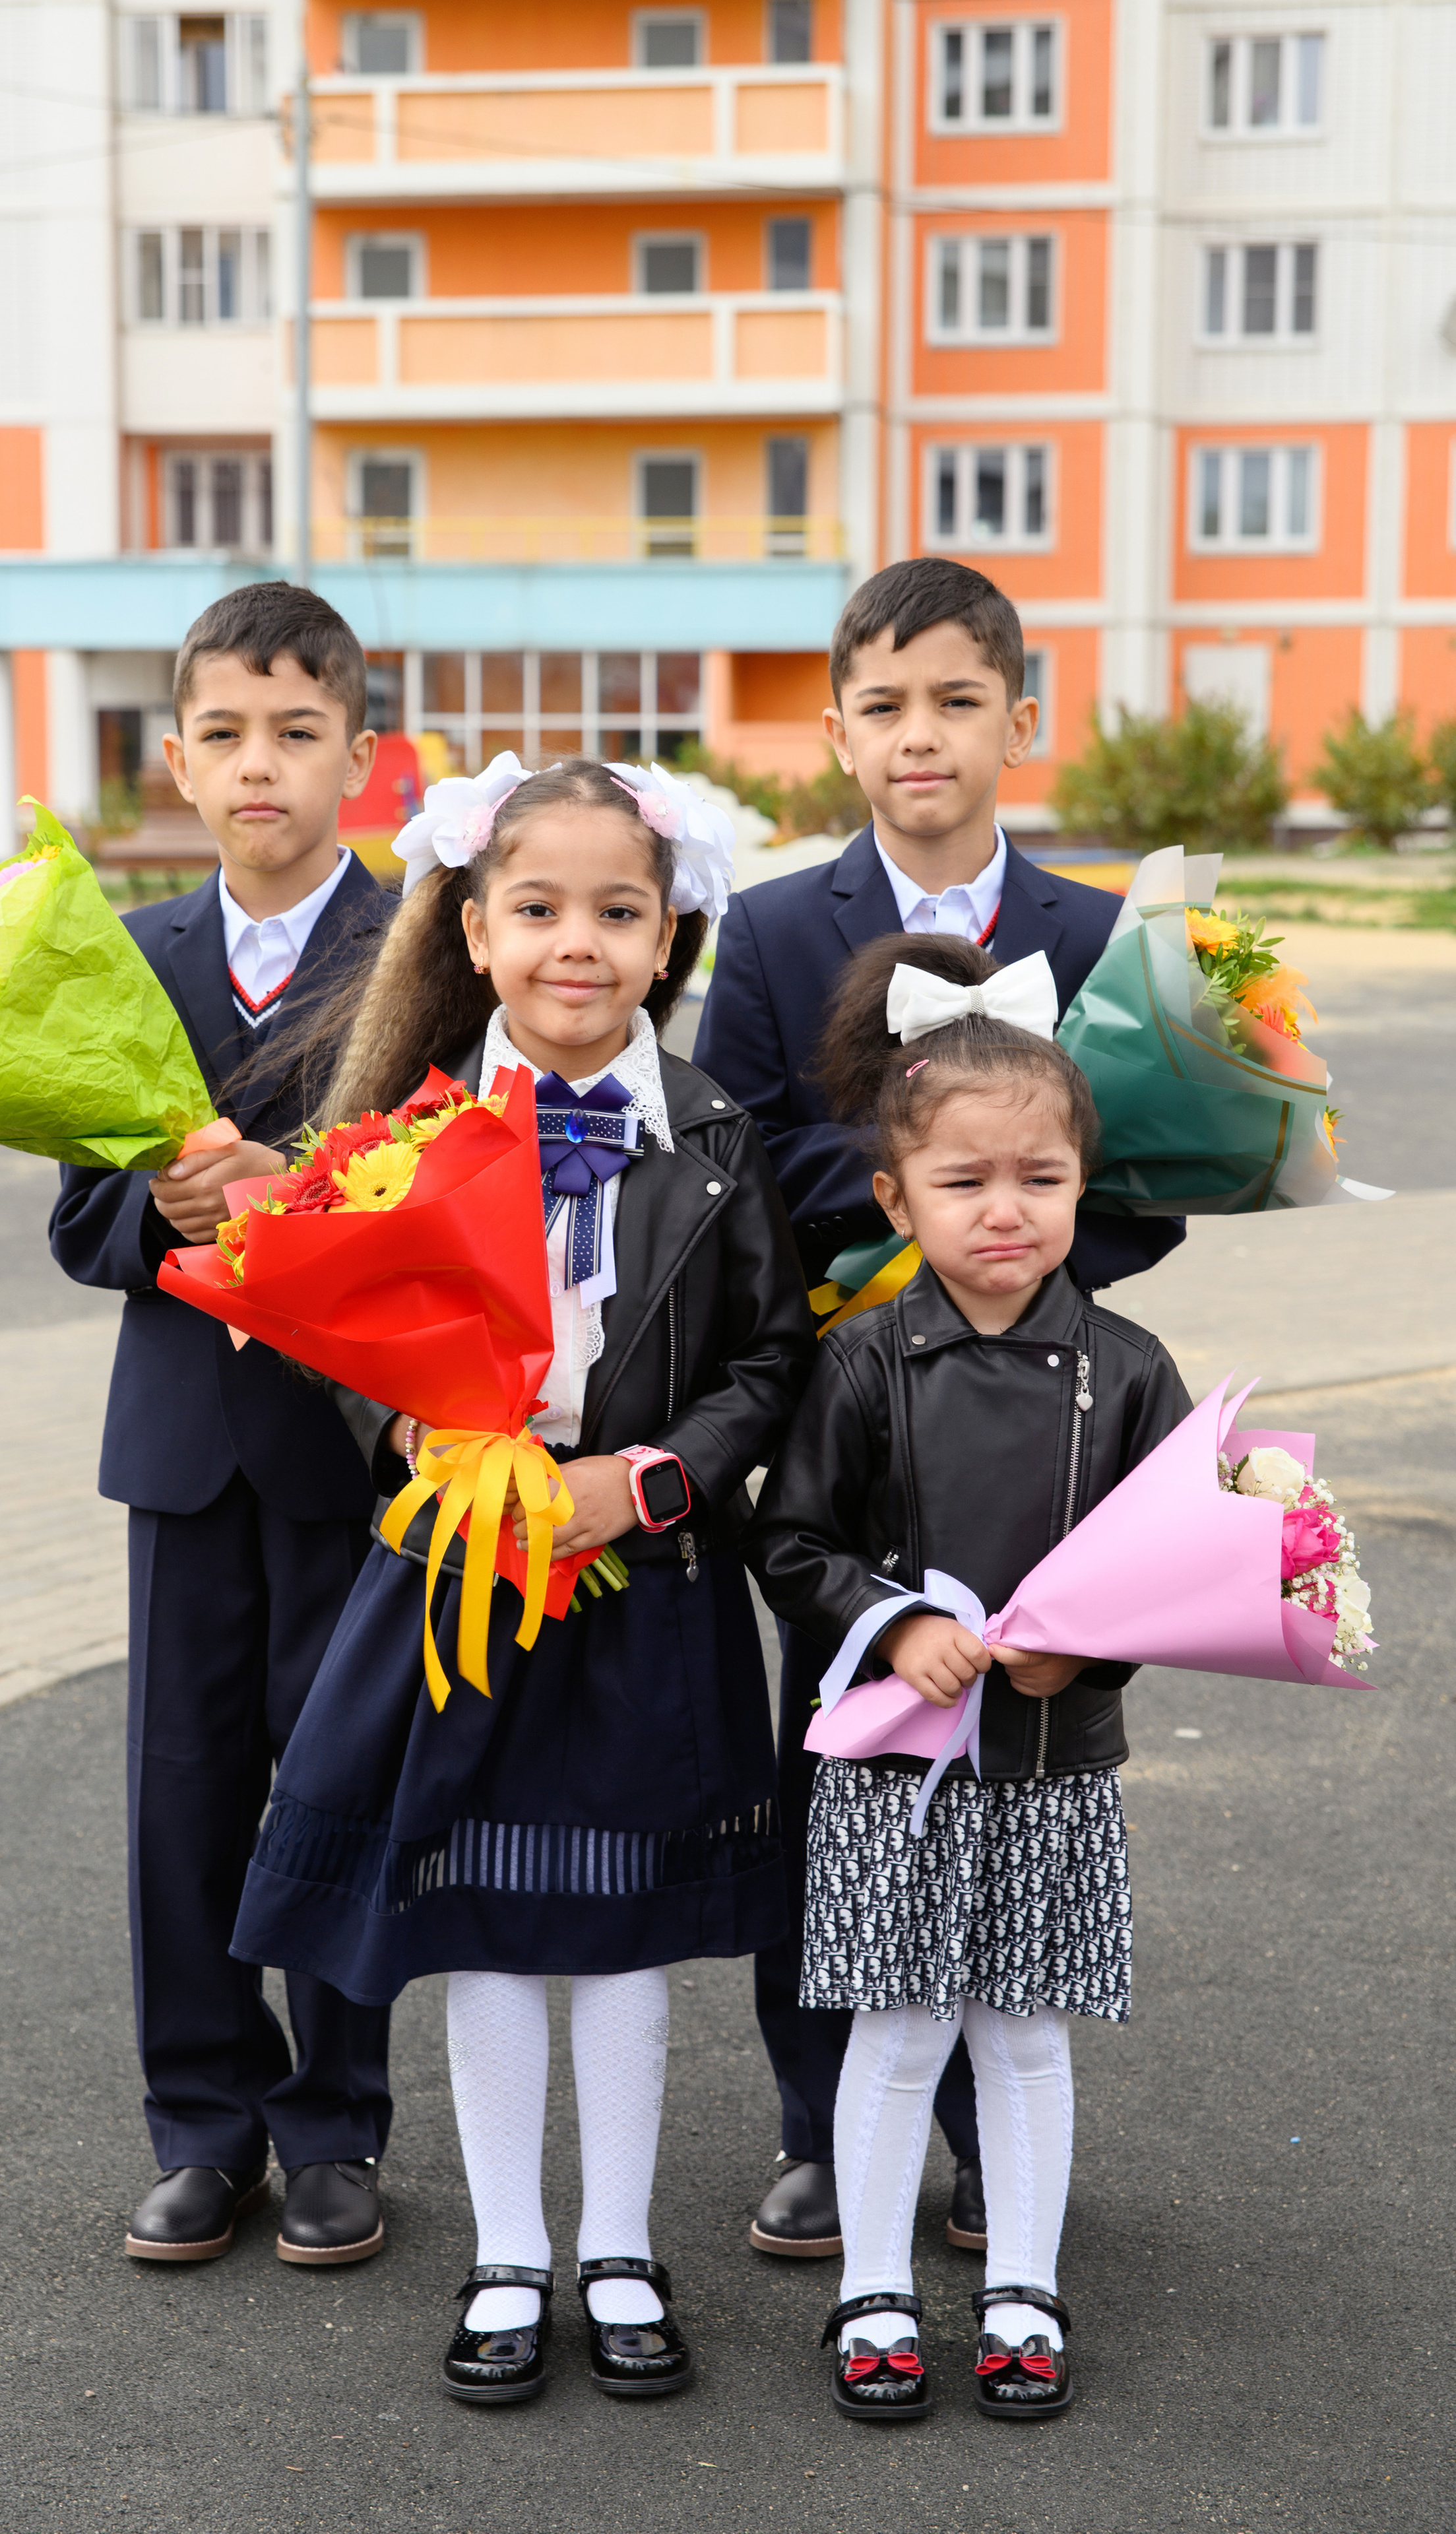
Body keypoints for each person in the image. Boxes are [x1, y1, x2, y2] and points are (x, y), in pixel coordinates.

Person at [228, 755, 816, 2405]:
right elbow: (332, 1336)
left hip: (646, 1583)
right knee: (483, 1920)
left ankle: (618, 2243)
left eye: (617, 912)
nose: (580, 943)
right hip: (464, 1587)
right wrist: (421, 1441)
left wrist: (647, 1478)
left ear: (667, 930)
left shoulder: (713, 1134)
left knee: (619, 1928)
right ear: (474, 933)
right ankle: (507, 2251)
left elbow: (768, 1358)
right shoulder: (403, 1134)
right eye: (539, 909)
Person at [694, 556, 1186, 2261]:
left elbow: (1148, 1192)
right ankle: (825, 2130)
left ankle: (992, 2142)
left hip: (1035, 1423)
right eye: (888, 705)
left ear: (1019, 719)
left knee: (1021, 1779)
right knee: (838, 1775)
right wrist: (908, 1209)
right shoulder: (766, 931)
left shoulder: (1101, 933)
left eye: (959, 701)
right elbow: (738, 1166)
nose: (924, 736)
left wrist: (1013, 1242)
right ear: (838, 730)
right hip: (855, 1414)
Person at [745, 929, 1189, 2420]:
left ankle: (1020, 2289)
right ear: (894, 1198)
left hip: (1054, 1762)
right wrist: (887, 1620)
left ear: (1082, 1183)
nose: (1004, 1212)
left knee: (1022, 2032)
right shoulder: (864, 1363)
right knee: (896, 2028)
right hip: (895, 1759)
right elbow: (788, 1539)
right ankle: (873, 2290)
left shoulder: (1127, 1368)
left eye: (1039, 1180)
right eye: (963, 1182)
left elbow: (1175, 1565)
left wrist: (1094, 1646)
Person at [48, 583, 395, 2267]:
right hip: (184, 1453)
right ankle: (202, 2121)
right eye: (226, 735)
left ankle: (332, 2129)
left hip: (350, 1452)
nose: (260, 766)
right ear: (177, 759)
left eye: (298, 734)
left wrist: (304, 1209)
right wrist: (167, 1226)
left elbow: (448, 1220)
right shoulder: (126, 963)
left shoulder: (420, 953)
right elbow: (77, 1223)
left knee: (335, 1784)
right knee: (180, 1795)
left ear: (359, 757)